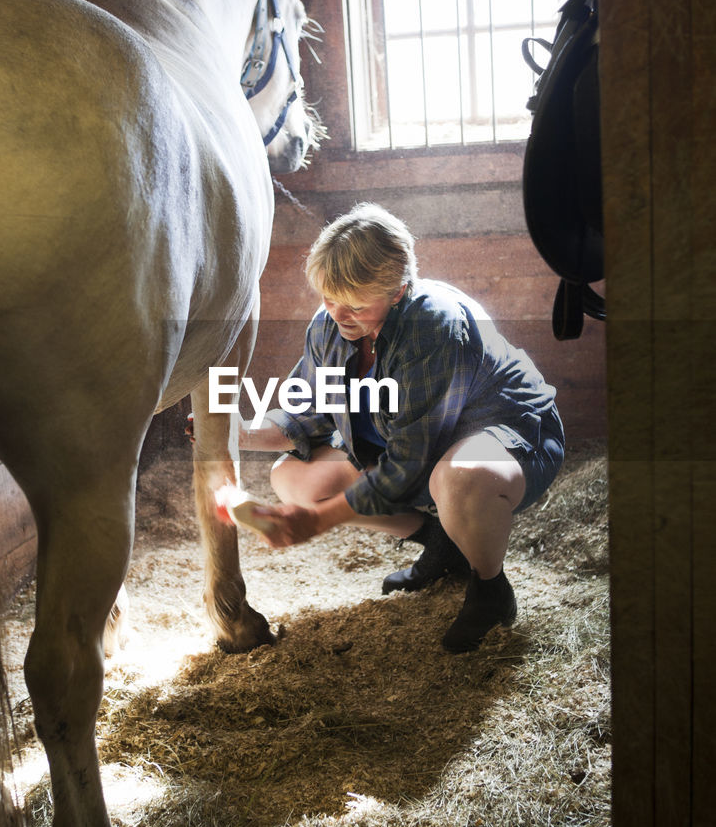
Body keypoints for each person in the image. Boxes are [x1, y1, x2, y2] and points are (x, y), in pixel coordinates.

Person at [236, 203, 565, 653]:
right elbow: (304, 410)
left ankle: (490, 587)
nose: (337, 313)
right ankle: (439, 541)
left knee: (460, 477)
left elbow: (410, 461)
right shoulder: (330, 327)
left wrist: (316, 522)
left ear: (397, 291)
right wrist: (237, 431)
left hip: (507, 439)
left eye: (353, 303)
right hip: (413, 454)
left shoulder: (433, 324)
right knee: (290, 477)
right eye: (328, 298)